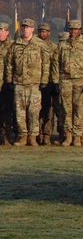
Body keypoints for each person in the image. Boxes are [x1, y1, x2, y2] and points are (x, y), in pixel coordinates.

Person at [7, 16, 48, 146]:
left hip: (34, 83)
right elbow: (10, 64)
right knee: (20, 111)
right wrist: (9, 81)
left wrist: (44, 80)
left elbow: (46, 64)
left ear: (33, 29)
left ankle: (33, 136)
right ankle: (22, 136)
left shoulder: (40, 44)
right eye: (24, 27)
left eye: (28, 27)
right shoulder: (15, 45)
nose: (25, 30)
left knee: (33, 111)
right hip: (19, 83)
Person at [57, 18, 83, 146]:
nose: (73, 31)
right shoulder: (62, 46)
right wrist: (56, 81)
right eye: (71, 29)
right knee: (66, 109)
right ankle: (68, 136)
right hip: (65, 80)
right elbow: (56, 64)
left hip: (81, 81)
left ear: (79, 30)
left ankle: (77, 136)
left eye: (75, 29)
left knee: (79, 109)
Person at [0, 16, 14, 144]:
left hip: (7, 84)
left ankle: (6, 135)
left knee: (7, 111)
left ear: (7, 32)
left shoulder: (13, 46)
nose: (0, 33)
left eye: (3, 30)